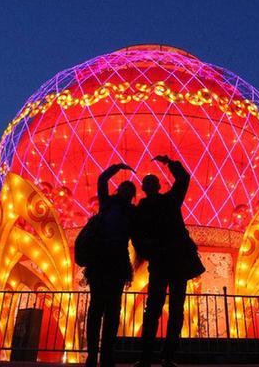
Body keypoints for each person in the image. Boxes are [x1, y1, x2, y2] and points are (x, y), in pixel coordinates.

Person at [133, 155, 203, 367]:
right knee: (160, 309)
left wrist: (170, 162)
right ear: (145, 188)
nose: (151, 185)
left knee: (169, 309)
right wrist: (149, 251)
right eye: (148, 182)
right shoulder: (151, 206)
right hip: (167, 261)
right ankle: (156, 356)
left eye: (152, 182)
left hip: (171, 261)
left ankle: (162, 356)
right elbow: (136, 236)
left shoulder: (164, 202)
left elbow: (183, 179)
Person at [85, 163, 136, 367]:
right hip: (101, 260)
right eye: (124, 188)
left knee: (113, 311)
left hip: (117, 263)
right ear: (118, 190)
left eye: (130, 191)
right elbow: (101, 180)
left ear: (132, 196)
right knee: (96, 308)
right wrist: (117, 167)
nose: (126, 192)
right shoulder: (107, 203)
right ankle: (92, 353)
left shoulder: (131, 212)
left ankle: (107, 353)